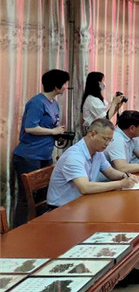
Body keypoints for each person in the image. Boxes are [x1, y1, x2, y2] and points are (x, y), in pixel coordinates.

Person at [12, 69, 69, 226]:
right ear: (56, 86)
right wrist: (52, 132)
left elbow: (50, 126)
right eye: (64, 83)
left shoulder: (54, 104)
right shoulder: (37, 102)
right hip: (29, 156)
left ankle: (38, 226)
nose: (66, 86)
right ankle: (19, 230)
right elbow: (30, 127)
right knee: (27, 197)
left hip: (45, 155)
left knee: (43, 196)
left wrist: (57, 133)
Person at [46, 118, 139, 208]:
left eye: (110, 140)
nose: (107, 144)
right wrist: (120, 184)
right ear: (92, 135)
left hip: (82, 201)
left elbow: (110, 172)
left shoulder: (97, 151)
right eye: (105, 139)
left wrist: (126, 176)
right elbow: (85, 187)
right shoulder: (74, 156)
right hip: (62, 207)